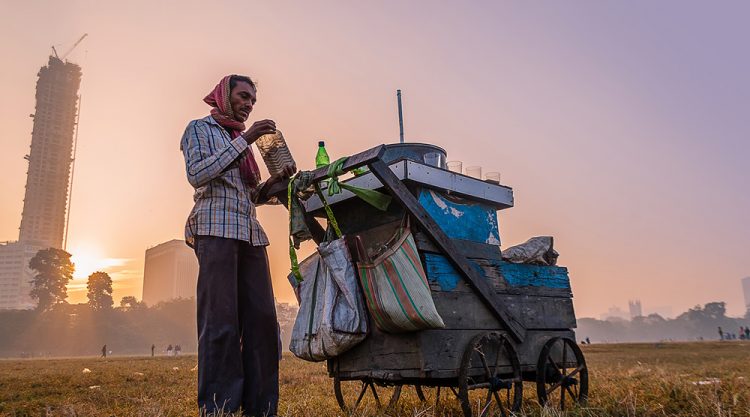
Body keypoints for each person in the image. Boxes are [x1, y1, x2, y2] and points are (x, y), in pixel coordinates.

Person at [181, 74, 294, 417]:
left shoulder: (239, 144)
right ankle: (220, 406)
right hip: (215, 229)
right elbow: (198, 173)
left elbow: (251, 195)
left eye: (253, 100)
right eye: (243, 96)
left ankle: (262, 407)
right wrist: (247, 138)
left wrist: (275, 181)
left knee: (262, 320)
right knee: (221, 321)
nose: (248, 103)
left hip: (249, 233)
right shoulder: (201, 129)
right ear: (223, 96)